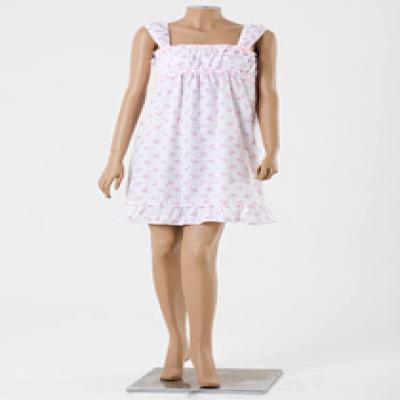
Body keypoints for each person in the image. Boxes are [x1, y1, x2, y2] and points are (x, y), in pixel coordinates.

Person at [98, 5, 279, 389]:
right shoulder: (153, 35)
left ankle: (202, 348)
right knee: (164, 245)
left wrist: (272, 148)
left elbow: (267, 93)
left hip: (220, 153)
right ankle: (176, 340)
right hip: (162, 150)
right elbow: (134, 94)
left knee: (198, 251)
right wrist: (115, 157)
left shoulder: (255, 38)